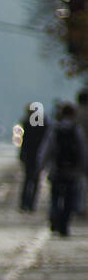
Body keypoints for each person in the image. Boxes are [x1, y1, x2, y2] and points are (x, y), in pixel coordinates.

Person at [38, 101, 85, 237]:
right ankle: (64, 224)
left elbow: (47, 148)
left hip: (56, 170)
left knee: (55, 197)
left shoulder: (55, 128)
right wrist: (83, 167)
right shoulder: (76, 130)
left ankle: (54, 217)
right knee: (70, 199)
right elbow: (82, 150)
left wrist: (41, 165)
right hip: (72, 172)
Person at [17, 102, 47, 212]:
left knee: (27, 179)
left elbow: (24, 141)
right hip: (38, 155)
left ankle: (24, 202)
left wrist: (21, 154)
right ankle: (31, 204)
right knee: (35, 180)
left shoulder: (26, 122)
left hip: (29, 155)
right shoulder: (43, 123)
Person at [76, 89, 88, 218]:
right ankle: (82, 206)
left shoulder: (75, 114)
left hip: (75, 153)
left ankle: (78, 205)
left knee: (78, 180)